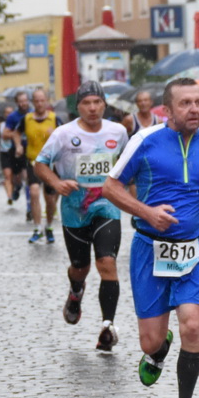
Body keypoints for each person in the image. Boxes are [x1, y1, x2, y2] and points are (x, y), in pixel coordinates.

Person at [103, 77, 199, 398]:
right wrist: (146, 212)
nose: (196, 109)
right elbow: (110, 187)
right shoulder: (145, 140)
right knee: (150, 341)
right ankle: (158, 352)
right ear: (167, 110)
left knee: (192, 325)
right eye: (186, 104)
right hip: (150, 249)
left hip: (195, 249)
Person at [33, 80, 129, 351]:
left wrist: (134, 198)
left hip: (107, 206)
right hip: (75, 211)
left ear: (104, 104)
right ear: (78, 107)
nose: (92, 108)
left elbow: (128, 162)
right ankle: (76, 291)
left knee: (107, 263)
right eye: (87, 103)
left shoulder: (118, 131)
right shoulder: (63, 134)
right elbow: (40, 164)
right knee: (80, 267)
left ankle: (107, 325)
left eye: (97, 102)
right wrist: (57, 183)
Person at [25, 87, 61, 244]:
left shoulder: (54, 118)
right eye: (36, 100)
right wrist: (18, 145)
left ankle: (49, 226)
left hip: (50, 163)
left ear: (46, 101)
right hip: (33, 160)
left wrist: (56, 133)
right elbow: (14, 133)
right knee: (33, 192)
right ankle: (37, 228)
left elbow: (65, 137)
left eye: (42, 100)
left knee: (50, 199)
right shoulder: (27, 119)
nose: (39, 103)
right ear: (33, 102)